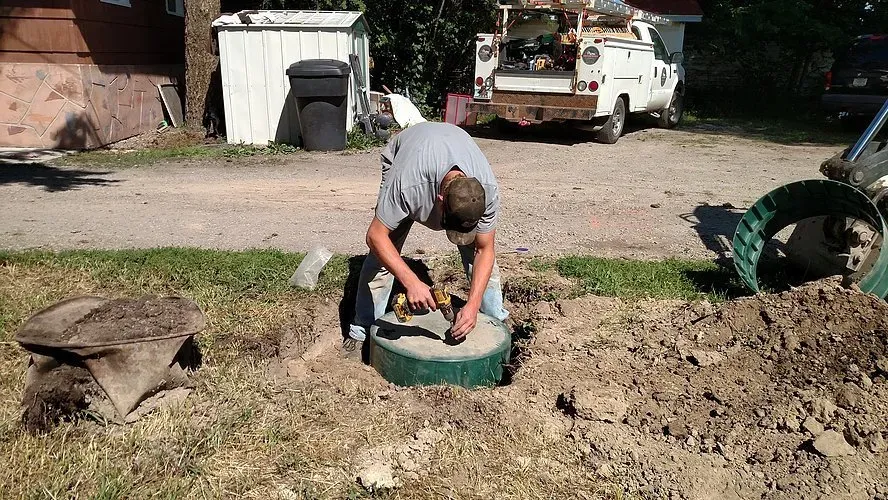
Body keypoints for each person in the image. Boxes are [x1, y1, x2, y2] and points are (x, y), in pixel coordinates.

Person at [346, 121, 509, 357]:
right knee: (384, 254)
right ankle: (361, 330)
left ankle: (495, 324)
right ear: (440, 199)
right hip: (408, 153)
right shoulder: (407, 185)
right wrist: (411, 281)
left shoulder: (486, 192)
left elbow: (485, 250)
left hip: (449, 144)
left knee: (480, 257)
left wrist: (471, 306)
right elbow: (375, 236)